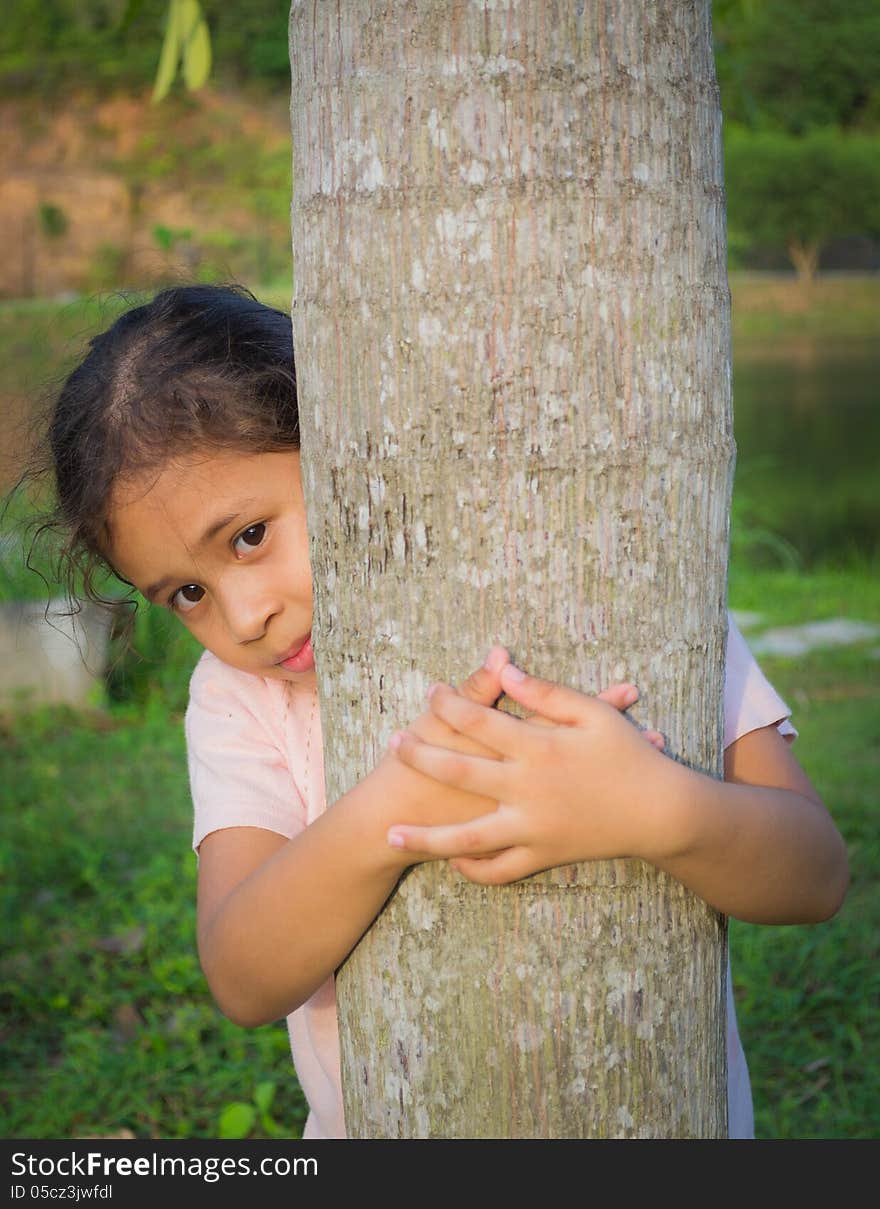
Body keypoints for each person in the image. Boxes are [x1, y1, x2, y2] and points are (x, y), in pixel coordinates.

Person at [40, 283, 848, 1141]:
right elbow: (242, 975)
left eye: (250, 536)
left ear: (344, 448)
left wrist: (655, 808)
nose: (244, 618)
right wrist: (395, 803)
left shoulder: (623, 586)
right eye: (188, 593)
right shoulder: (239, 696)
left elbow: (816, 874)